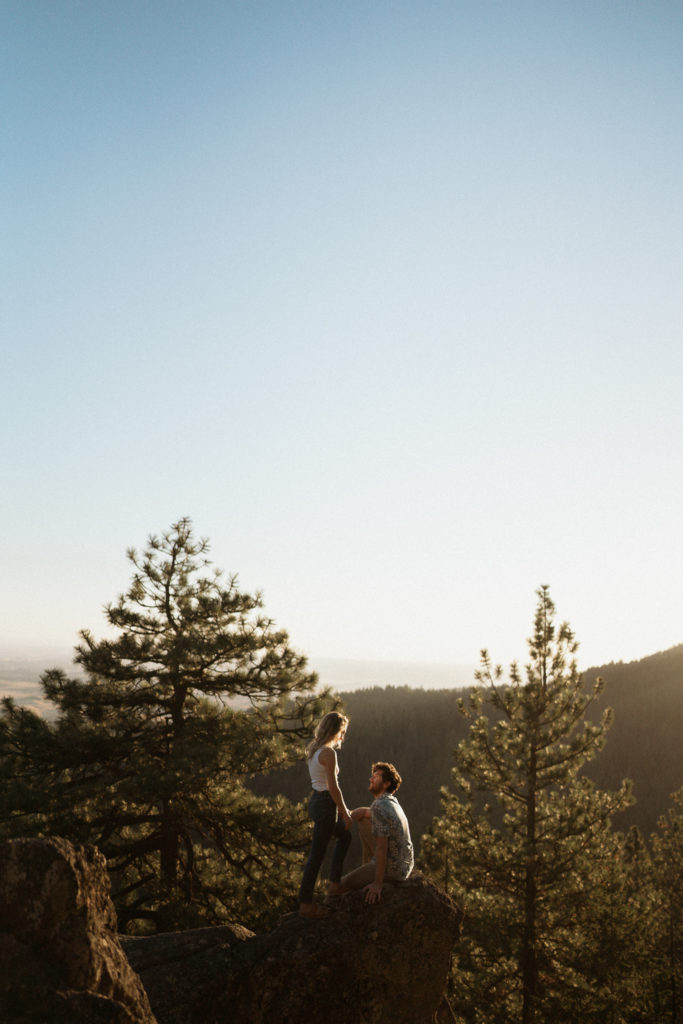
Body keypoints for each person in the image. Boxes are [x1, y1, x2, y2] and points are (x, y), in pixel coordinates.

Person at [298, 711, 353, 919]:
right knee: (316, 855)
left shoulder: (314, 749)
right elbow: (333, 786)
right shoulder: (329, 753)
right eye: (342, 732)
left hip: (316, 801)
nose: (343, 736)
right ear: (335, 730)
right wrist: (345, 812)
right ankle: (305, 904)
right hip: (325, 804)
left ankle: (335, 885)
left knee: (345, 836)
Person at [341, 761, 413, 904]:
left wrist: (377, 884)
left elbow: (382, 847)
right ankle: (366, 867)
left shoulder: (379, 806)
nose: (371, 778)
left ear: (386, 784)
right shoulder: (392, 802)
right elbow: (363, 813)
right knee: (363, 819)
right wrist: (346, 816)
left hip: (391, 869)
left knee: (339, 885)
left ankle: (369, 873)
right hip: (404, 866)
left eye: (376, 776)